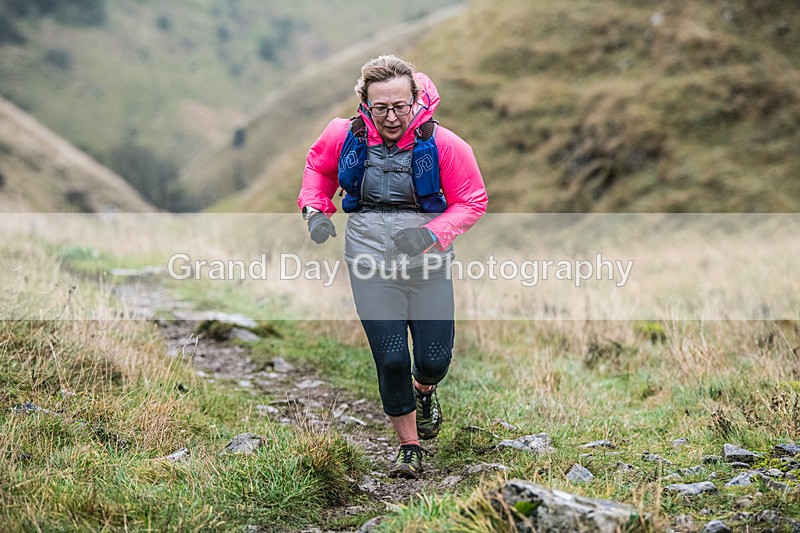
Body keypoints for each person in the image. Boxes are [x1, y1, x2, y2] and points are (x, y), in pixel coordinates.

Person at [297, 55, 487, 479]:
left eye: (400, 106)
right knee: (392, 359)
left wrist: (430, 234)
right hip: (369, 265)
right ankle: (409, 447)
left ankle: (425, 391)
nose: (392, 117)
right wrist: (315, 211)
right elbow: (318, 171)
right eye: (381, 108)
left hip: (428, 267)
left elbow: (473, 199)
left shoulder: (444, 144)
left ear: (415, 100)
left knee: (433, 360)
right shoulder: (344, 135)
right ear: (365, 101)